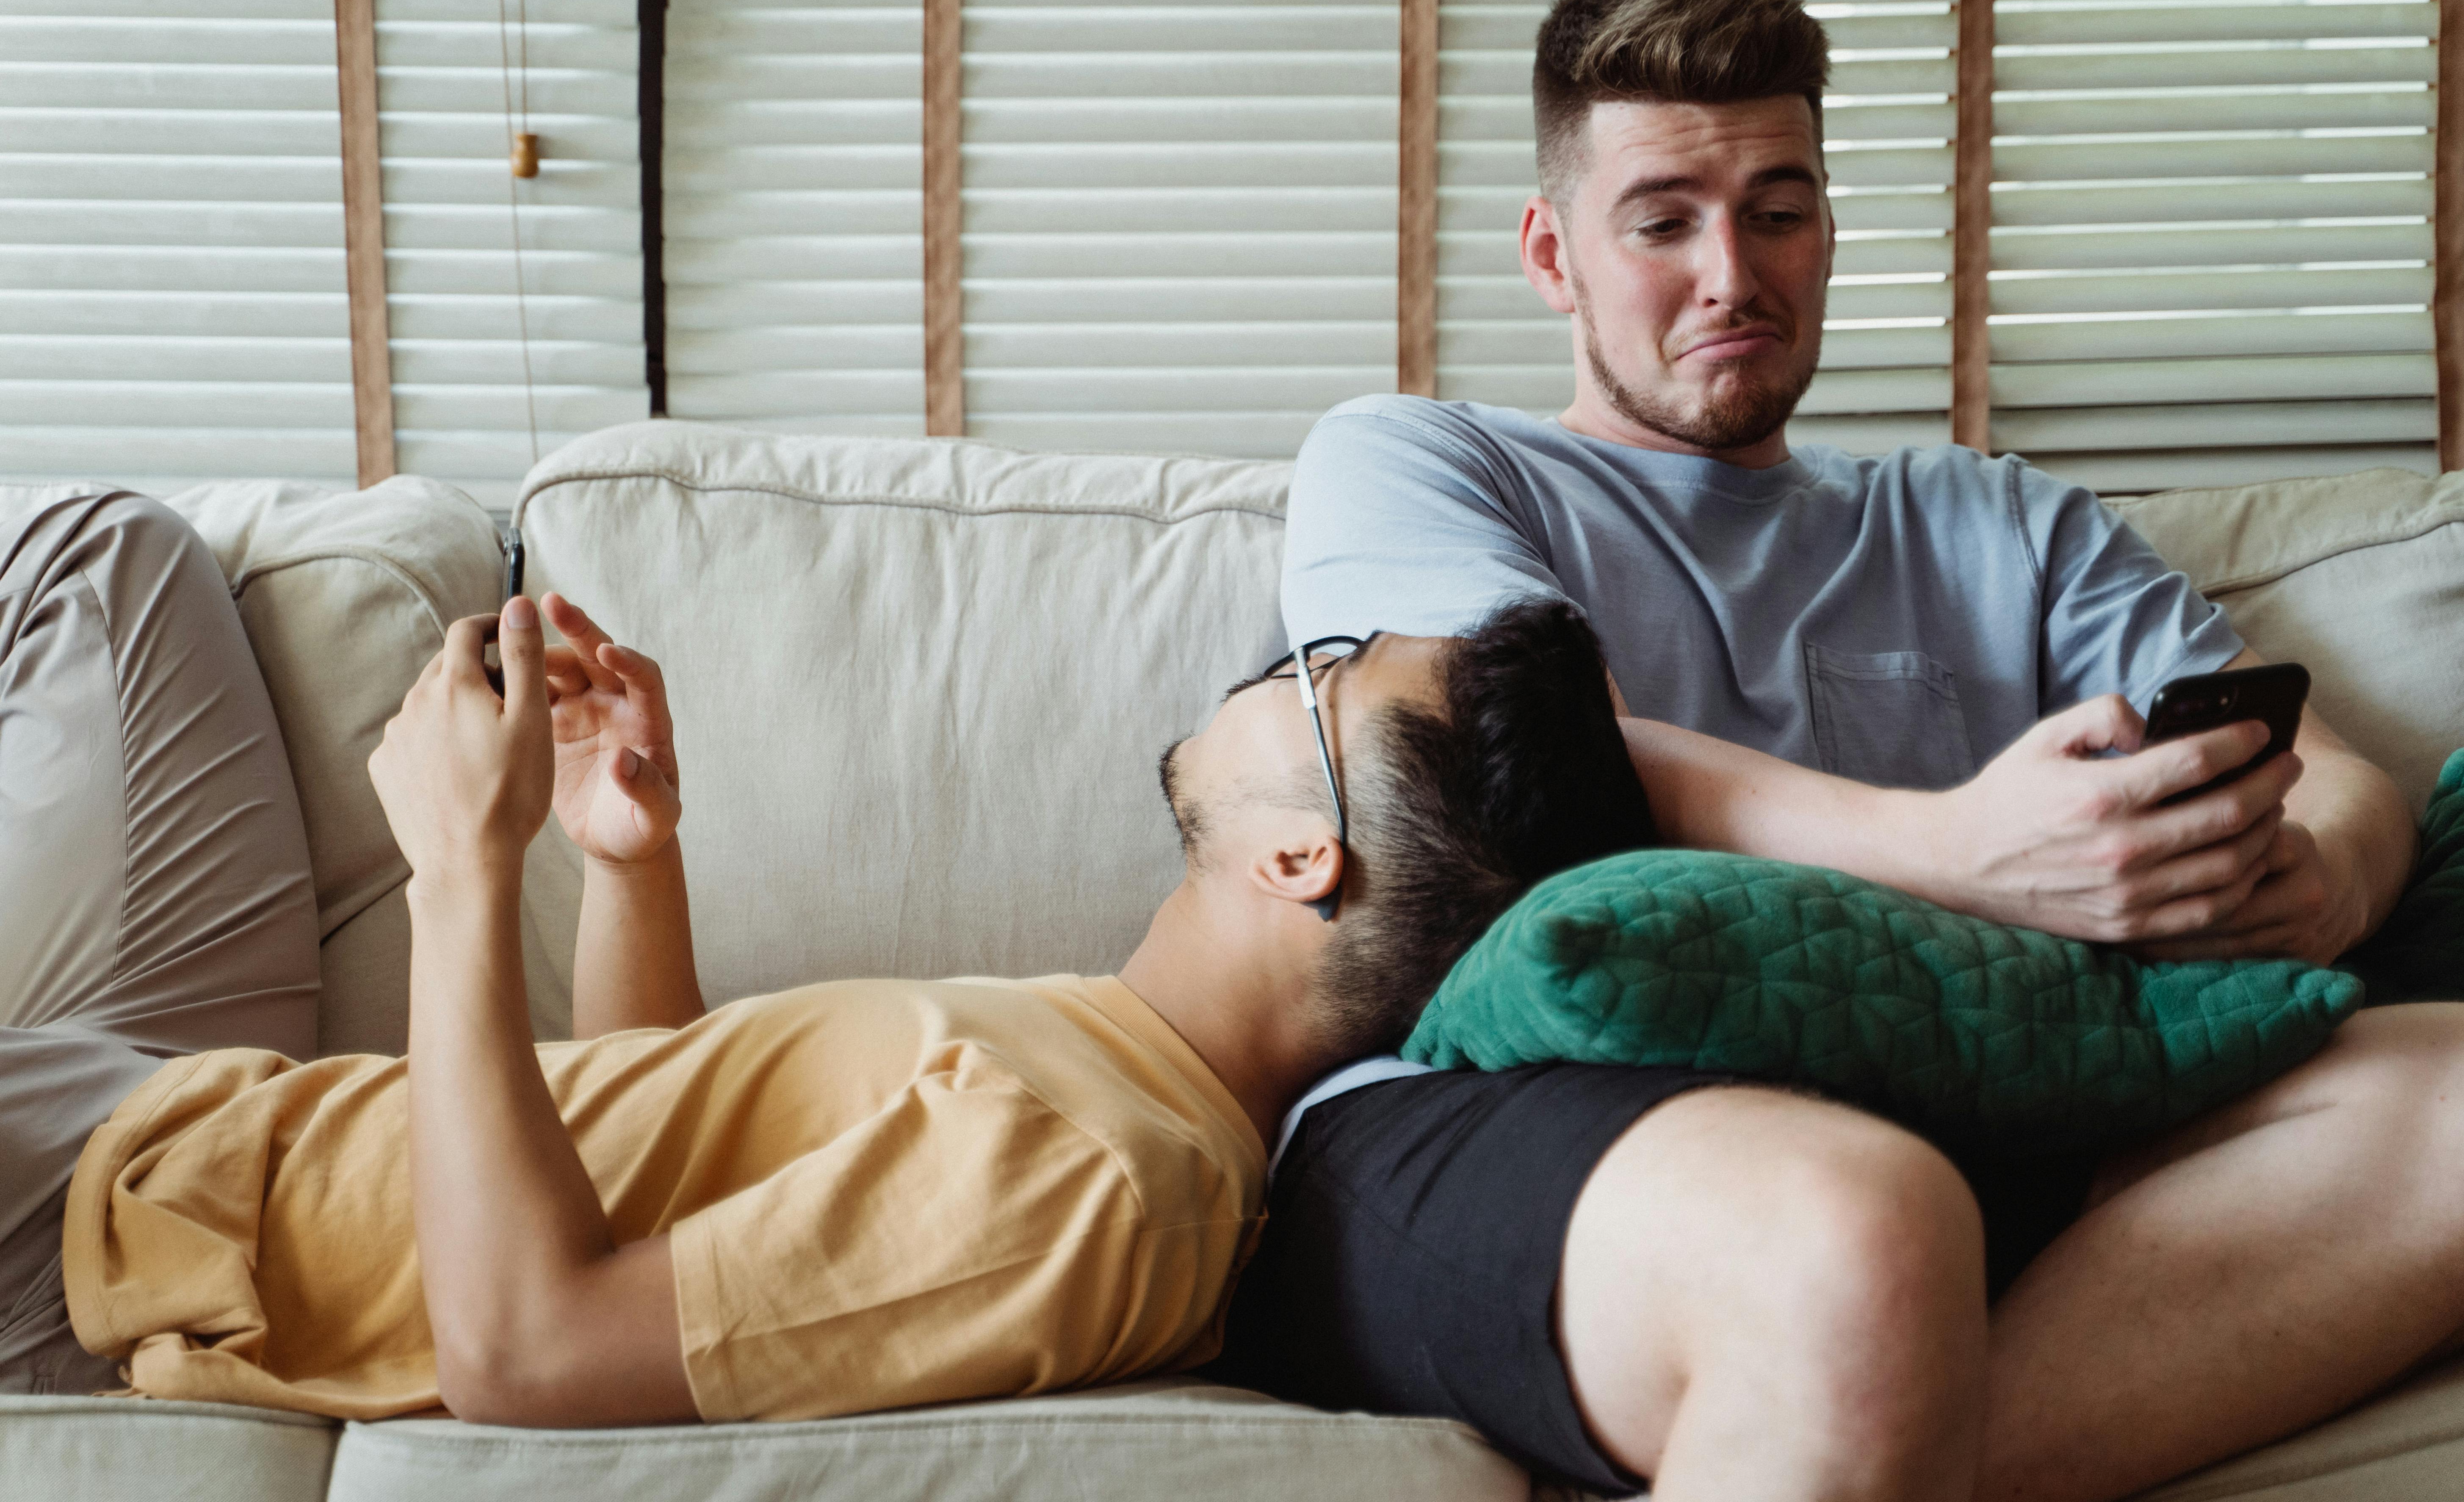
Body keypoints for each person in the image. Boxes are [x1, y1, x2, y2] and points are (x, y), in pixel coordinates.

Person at [1209, 0, 2464, 1502]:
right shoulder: (1423, 463)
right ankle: (1855, 1380)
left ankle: (1858, 1431)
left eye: (1780, 209)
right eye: (1664, 221)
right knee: (1863, 1228)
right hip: (1483, 1117)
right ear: (1552, 253)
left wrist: (2328, 879)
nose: (1733, 273)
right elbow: (1488, 757)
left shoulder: (1997, 519)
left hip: (1976, 1116)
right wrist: (1959, 851)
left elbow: (2326, 776)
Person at [0, 487, 1653, 1424]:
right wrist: (628, 854)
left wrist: (461, 873)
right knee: (108, 554)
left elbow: (532, 1347)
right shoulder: (1116, 1063)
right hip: (207, 1096)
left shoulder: (1098, 1184)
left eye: (1333, 680)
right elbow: (666, 1157)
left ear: (1307, 852)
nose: (1299, 658)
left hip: (119, 1218)